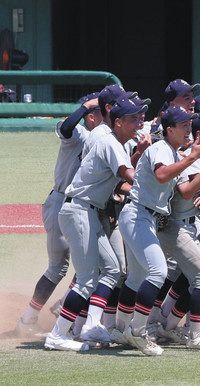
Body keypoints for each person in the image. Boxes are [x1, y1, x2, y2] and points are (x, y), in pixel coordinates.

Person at [43, 97, 145, 352]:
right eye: (133, 119)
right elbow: (127, 174)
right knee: (87, 279)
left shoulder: (110, 139)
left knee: (112, 269)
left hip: (87, 211)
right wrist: (157, 182)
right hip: (79, 210)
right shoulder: (109, 141)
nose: (138, 123)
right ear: (118, 121)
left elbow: (120, 178)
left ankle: (91, 325)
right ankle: (57, 335)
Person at [116, 106, 200, 356]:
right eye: (183, 125)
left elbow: (185, 189)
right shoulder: (161, 147)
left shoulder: (173, 152)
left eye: (189, 124)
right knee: (158, 271)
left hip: (146, 218)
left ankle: (119, 329)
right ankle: (138, 332)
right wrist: (193, 158)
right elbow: (161, 175)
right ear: (169, 129)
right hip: (138, 214)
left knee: (136, 278)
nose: (188, 129)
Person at [16, 92, 101, 337]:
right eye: (102, 111)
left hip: (82, 206)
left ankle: (64, 303)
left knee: (93, 259)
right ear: (92, 117)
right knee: (57, 268)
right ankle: (27, 319)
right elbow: (65, 127)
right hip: (61, 201)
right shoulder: (78, 134)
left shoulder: (104, 138)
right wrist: (85, 107)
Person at [154, 111, 200, 350]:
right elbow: (188, 190)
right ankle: (193, 333)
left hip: (187, 226)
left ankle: (168, 325)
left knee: (194, 276)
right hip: (176, 227)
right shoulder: (188, 157)